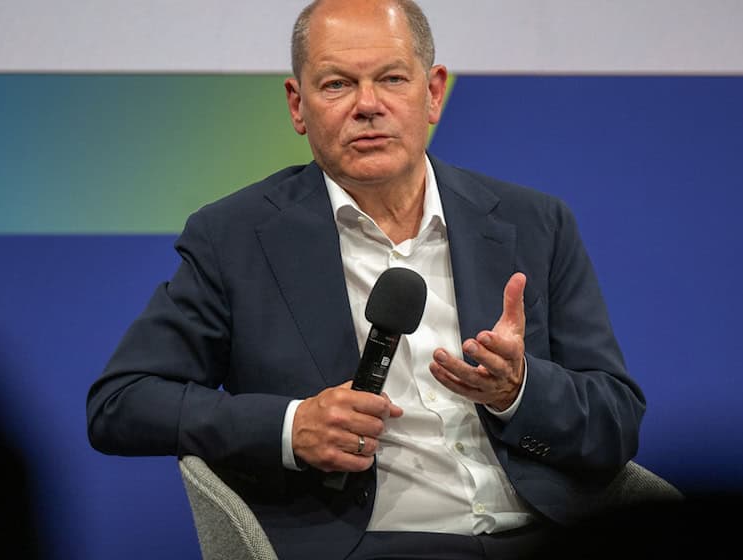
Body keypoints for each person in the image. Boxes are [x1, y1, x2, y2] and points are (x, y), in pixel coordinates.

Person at [86, 1, 645, 558]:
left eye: (392, 79)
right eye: (336, 85)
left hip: (542, 535)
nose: (368, 105)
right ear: (297, 105)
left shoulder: (535, 223)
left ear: (433, 93)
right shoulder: (235, 238)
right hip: (370, 545)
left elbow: (617, 421)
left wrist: (518, 392)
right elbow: (122, 404)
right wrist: (292, 425)